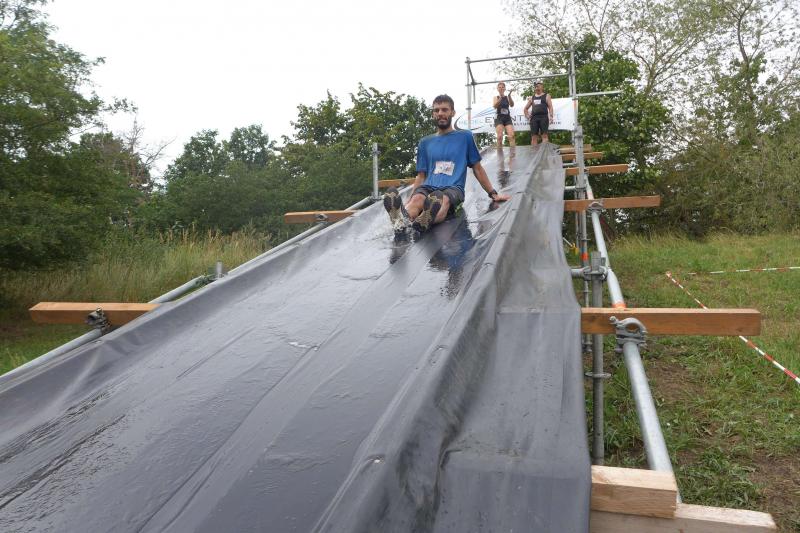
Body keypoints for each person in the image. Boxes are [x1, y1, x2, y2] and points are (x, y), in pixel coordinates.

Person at [383, 94, 511, 234]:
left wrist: (493, 193)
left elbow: (477, 169)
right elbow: (421, 176)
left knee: (443, 201)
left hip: (453, 188)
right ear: (433, 114)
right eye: (436, 110)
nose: (440, 113)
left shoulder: (465, 137)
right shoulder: (425, 142)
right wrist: (411, 199)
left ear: (453, 112)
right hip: (428, 186)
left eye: (444, 109)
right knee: (417, 199)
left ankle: (425, 219)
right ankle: (403, 219)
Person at [523, 81, 554, 145]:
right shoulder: (532, 97)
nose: (537, 88)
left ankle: (545, 151)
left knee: (544, 136)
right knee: (534, 137)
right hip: (534, 118)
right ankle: (534, 151)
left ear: (542, 87)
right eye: (536, 87)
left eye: (538, 86)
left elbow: (550, 107)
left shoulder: (547, 96)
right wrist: (527, 116)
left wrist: (551, 116)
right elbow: (525, 108)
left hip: (544, 117)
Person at [493, 82, 516, 150]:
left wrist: (509, 96)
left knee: (511, 136)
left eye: (502, 87)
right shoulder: (496, 97)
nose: (501, 88)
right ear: (497, 89)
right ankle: (500, 154)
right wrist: (499, 100)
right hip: (499, 118)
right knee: (499, 137)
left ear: (505, 89)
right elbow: (494, 106)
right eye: (499, 87)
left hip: (507, 118)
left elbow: (512, 105)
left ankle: (513, 154)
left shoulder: (507, 97)